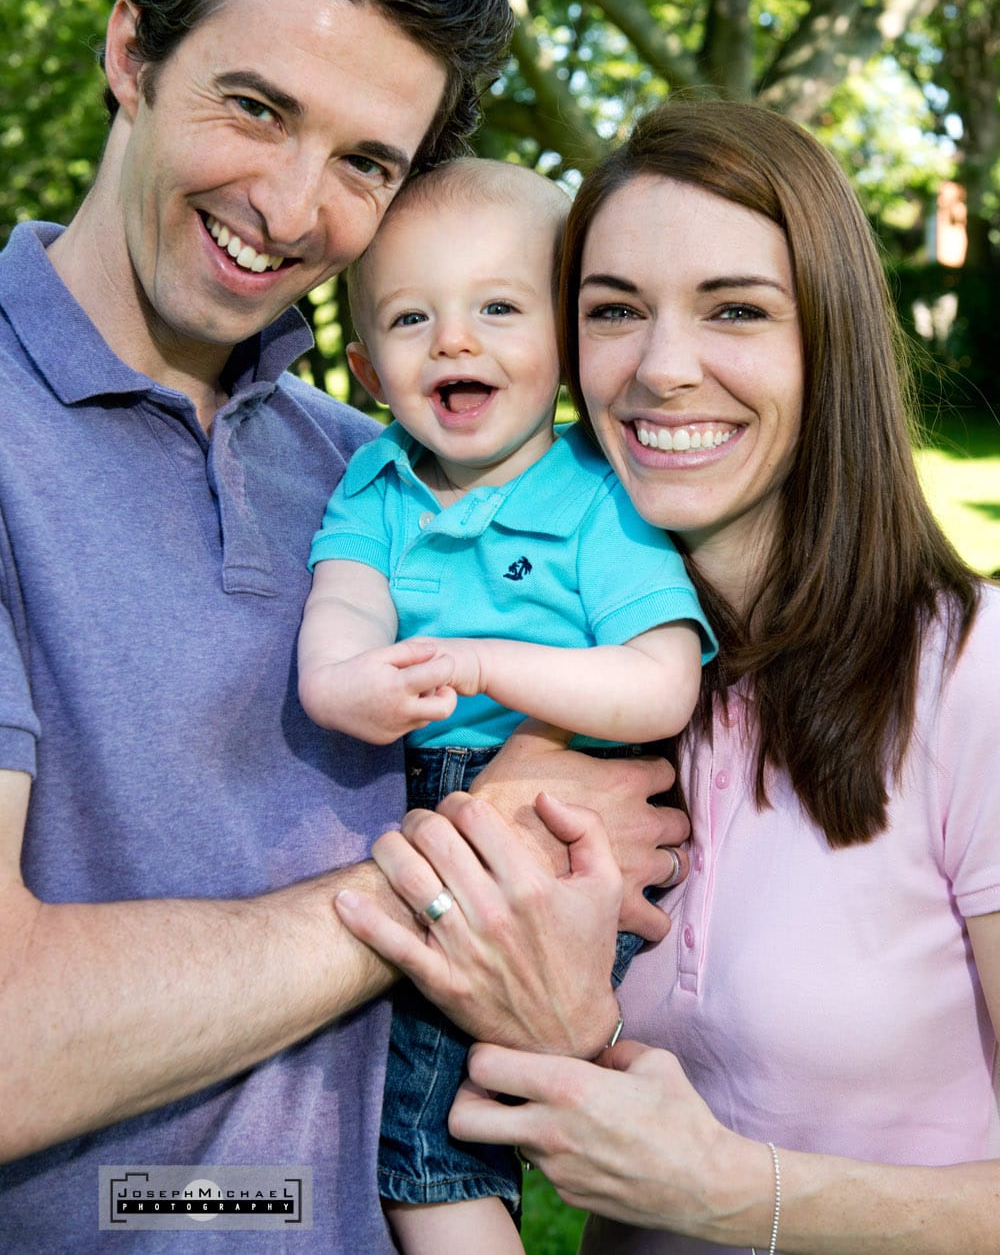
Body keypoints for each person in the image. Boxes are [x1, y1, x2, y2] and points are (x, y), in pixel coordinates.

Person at [0, 0, 692, 1252]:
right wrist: (462, 860)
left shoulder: (372, 472)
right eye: (256, 107)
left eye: (365, 161)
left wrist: (559, 983)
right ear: (133, 52)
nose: (294, 204)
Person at [336, 100, 1000, 1253]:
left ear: (829, 337)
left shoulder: (971, 678)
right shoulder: (579, 704)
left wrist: (736, 1193)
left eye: (734, 309)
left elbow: (694, 1166)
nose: (662, 369)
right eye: (613, 312)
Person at [298, 157, 717, 1254]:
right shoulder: (376, 482)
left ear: (565, 352)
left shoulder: (595, 495)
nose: (454, 339)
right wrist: (340, 680)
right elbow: (341, 609)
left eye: (497, 307)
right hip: (417, 802)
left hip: (555, 825)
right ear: (365, 366)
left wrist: (484, 665)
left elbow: (660, 680)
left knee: (426, 1140)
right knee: (394, 1099)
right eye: (410, 316)